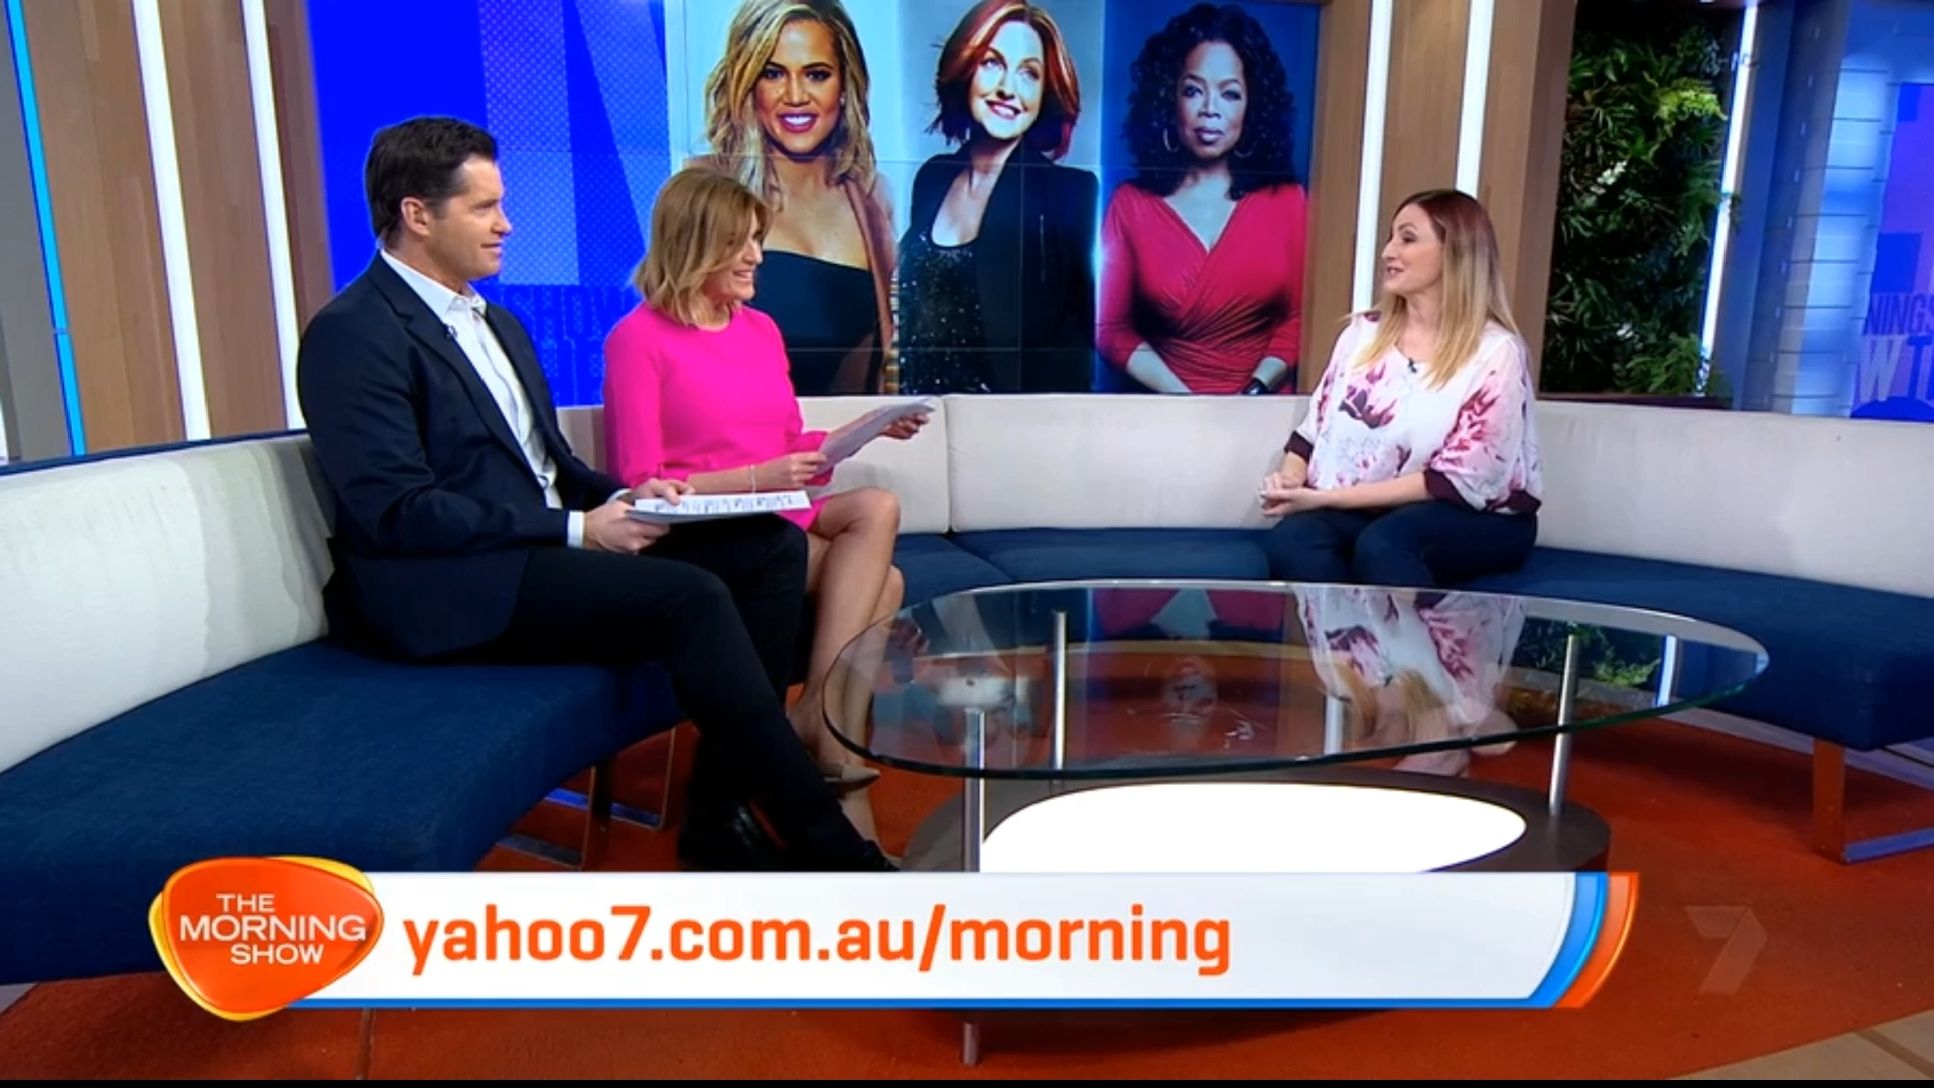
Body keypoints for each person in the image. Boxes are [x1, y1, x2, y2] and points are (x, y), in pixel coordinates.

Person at [295, 116, 893, 872]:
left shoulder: (497, 323)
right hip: (457, 581)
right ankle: (834, 850)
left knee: (770, 545)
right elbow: (398, 512)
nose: (506, 224)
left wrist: (637, 497)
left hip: (539, 546)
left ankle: (718, 818)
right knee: (690, 597)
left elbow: (552, 466)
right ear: (418, 214)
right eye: (484, 208)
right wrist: (578, 529)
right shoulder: (353, 334)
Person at [602, 167, 925, 836]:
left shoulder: (760, 330)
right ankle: (827, 739)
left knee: (877, 507)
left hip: (780, 506)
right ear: (697, 245)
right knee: (886, 584)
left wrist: (865, 429)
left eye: (757, 239)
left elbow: (789, 444)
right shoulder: (638, 339)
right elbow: (641, 478)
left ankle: (814, 717)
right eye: (741, 242)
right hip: (711, 532)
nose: (757, 256)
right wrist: (755, 478)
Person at [1259, 189, 1542, 588]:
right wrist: (1290, 482)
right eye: (1390, 238)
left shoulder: (1496, 353)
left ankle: (1405, 634)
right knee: (1293, 541)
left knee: (1386, 545)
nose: (1388, 252)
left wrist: (1322, 499)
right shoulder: (1361, 335)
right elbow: (1311, 434)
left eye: (1407, 239)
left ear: (1455, 253)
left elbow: (1457, 481)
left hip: (1475, 515)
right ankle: (1338, 632)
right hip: (1368, 510)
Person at [1097, 2, 1307, 396]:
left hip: (1266, 408)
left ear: (1252, 105)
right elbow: (1111, 330)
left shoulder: (1288, 202)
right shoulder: (1131, 205)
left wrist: (1255, 390)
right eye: (1193, 91)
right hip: (1167, 409)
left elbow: (1299, 318)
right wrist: (1186, 402)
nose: (1210, 110)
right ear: (1168, 98)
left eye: (1230, 94)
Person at [895, 0, 1099, 395]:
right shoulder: (933, 178)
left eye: (1029, 74)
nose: (1008, 89)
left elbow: (1075, 354)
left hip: (1008, 421)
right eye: (992, 63)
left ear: (1045, 91)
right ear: (965, 68)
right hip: (920, 414)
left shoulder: (1071, 194)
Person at [696, 0, 897, 396]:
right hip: (736, 430)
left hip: (844, 430)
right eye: (773, 74)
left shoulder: (873, 198)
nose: (795, 95)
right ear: (749, 84)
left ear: (845, 86)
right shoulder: (701, 188)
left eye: (816, 75)